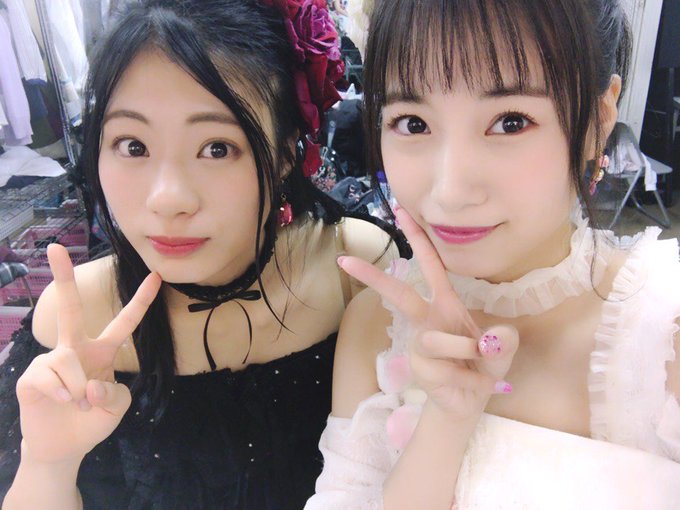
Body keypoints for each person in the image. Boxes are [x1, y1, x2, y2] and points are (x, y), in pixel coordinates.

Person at [0, 1, 404, 508]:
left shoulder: (358, 269)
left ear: (285, 153)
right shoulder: (77, 317)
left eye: (217, 148)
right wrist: (48, 463)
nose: (168, 199)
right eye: (132, 146)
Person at [305, 0, 680, 508]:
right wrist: (446, 421)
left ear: (598, 118)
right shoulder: (376, 326)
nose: (450, 191)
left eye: (510, 122)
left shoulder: (664, 336)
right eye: (413, 123)